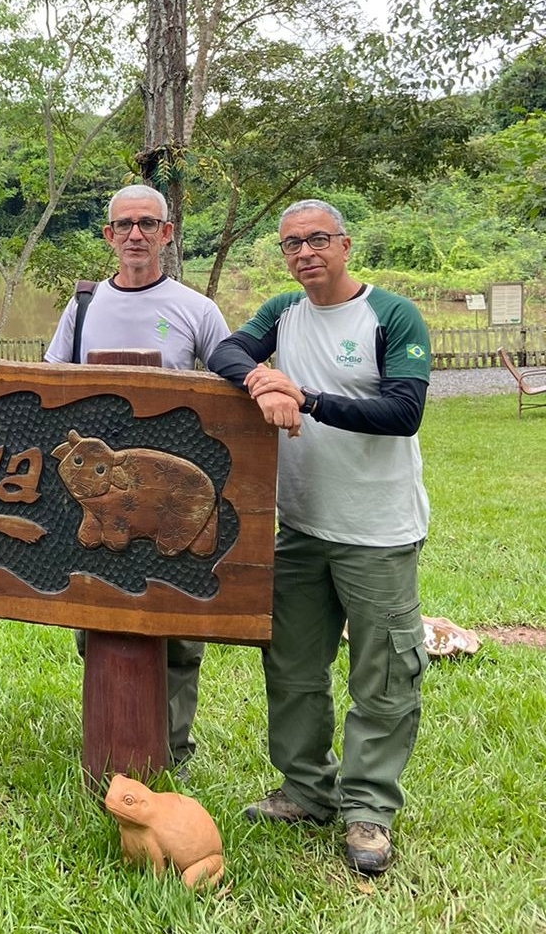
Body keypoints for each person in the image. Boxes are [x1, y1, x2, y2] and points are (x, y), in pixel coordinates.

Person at [207, 198, 430, 877]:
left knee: (384, 674)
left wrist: (302, 396)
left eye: (317, 240)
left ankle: (368, 810)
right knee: (294, 667)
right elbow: (224, 348)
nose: (305, 253)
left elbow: (404, 411)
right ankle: (307, 790)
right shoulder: (283, 314)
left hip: (378, 531)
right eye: (291, 243)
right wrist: (258, 381)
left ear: (345, 244)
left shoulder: (390, 315)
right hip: (299, 527)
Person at [44, 184, 230, 772]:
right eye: (124, 224)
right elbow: (53, 389)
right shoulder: (81, 308)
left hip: (165, 497)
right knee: (97, 620)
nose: (135, 235)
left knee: (177, 627)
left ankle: (171, 749)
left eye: (148, 224)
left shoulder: (196, 310)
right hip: (100, 499)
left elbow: (228, 393)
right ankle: (111, 742)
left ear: (167, 234)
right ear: (108, 235)